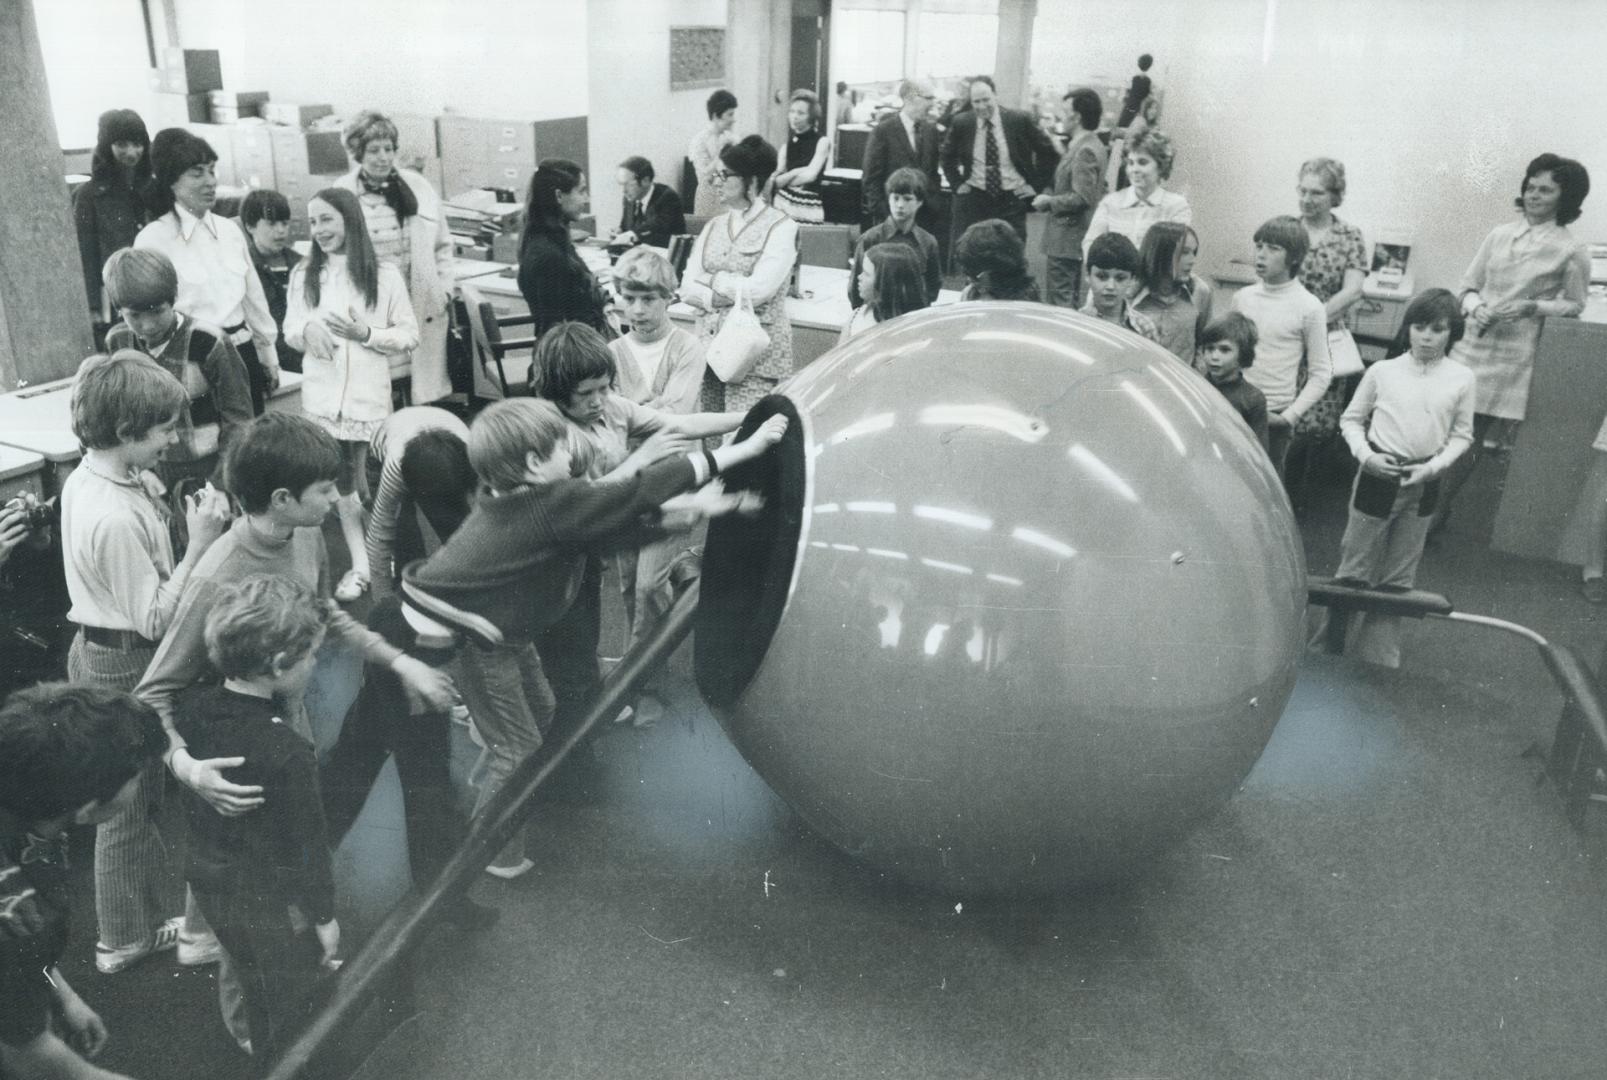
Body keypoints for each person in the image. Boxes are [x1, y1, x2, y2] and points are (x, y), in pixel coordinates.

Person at [60, 351, 233, 977]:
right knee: (126, 810)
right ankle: (124, 939)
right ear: (129, 432)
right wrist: (204, 543)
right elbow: (155, 618)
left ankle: (130, 930)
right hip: (126, 664)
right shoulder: (114, 518)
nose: (175, 439)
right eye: (163, 430)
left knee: (136, 803)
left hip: (104, 653)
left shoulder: (99, 477)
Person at [399, 398, 789, 653]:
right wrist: (741, 451)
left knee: (530, 719)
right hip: (442, 629)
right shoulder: (549, 504)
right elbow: (638, 491)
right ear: (535, 463)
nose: (571, 456)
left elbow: (608, 535)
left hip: (447, 624)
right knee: (515, 743)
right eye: (563, 447)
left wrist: (696, 510)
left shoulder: (510, 502)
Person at [531, 323, 751, 729]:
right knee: (567, 647)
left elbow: (682, 425)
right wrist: (641, 458)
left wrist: (750, 414)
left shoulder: (612, 408)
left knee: (600, 623)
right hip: (556, 560)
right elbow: (582, 504)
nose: (599, 401)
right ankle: (570, 734)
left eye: (604, 388)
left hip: (601, 539)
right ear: (558, 391)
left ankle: (599, 702)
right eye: (586, 394)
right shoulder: (549, 430)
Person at [177, 577, 338, 1067]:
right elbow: (307, 846)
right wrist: (325, 917)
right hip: (263, 894)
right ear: (278, 665)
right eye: (310, 655)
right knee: (284, 998)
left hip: (209, 877)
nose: (314, 663)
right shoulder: (289, 751)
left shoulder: (193, 706)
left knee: (249, 971)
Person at [0, 683, 165, 1080]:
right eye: (136, 776)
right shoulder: (21, 916)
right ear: (89, 810)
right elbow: (23, 1048)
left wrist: (62, 996)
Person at [1434, 153, 1591, 534]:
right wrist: (1476, 307)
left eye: (1546, 190)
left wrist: (1533, 306)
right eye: (1531, 187)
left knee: (1469, 434)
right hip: (1473, 340)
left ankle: (1435, 513)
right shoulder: (1499, 234)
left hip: (1513, 354)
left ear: (1565, 198)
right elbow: (1467, 286)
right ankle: (1423, 502)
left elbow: (1575, 305)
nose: (1534, 195)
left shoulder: (1571, 250)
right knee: (1442, 421)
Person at [1320, 289, 1474, 668]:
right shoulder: (1382, 371)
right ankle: (1326, 651)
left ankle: (1378, 659)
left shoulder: (1462, 378)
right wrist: (1367, 457)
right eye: (1419, 327)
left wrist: (1433, 467)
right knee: (1353, 569)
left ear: (1452, 332)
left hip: (1424, 481)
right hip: (1377, 477)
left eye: (1437, 329)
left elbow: (1462, 435)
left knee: (1399, 577)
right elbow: (1351, 420)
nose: (1426, 336)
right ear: (1407, 328)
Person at [285, 187, 420, 602]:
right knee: (339, 486)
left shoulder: (384, 275)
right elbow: (289, 330)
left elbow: (409, 335)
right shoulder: (304, 275)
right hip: (323, 401)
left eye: (327, 219)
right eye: (313, 222)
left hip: (367, 400)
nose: (319, 229)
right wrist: (305, 332)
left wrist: (367, 334)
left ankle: (393, 564)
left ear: (349, 219)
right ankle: (361, 567)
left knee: (375, 488)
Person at [135, 128, 280, 416]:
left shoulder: (230, 231)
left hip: (242, 354)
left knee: (252, 449)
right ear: (171, 181)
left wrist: (268, 355)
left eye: (212, 171)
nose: (210, 182)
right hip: (191, 361)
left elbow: (253, 299)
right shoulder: (153, 239)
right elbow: (147, 317)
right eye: (197, 173)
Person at [102, 249, 256, 499]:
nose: (148, 325)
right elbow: (113, 415)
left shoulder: (208, 341)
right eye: (135, 316)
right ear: (119, 310)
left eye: (157, 311)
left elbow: (239, 419)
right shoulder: (118, 343)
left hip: (209, 468)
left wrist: (220, 485)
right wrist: (136, 472)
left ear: (174, 298)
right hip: (148, 473)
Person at [333, 111, 454, 404]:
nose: (383, 157)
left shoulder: (417, 186)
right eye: (374, 150)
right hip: (370, 308)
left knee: (420, 389)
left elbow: (443, 245)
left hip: (418, 306)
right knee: (376, 393)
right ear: (357, 152)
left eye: (389, 149)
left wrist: (445, 291)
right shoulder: (340, 193)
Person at [682, 135, 799, 413]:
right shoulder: (714, 226)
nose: (716, 181)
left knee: (744, 442)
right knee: (711, 441)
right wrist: (729, 292)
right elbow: (686, 289)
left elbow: (760, 291)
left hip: (756, 361)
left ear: (752, 180)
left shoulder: (782, 227)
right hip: (711, 352)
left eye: (725, 174)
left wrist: (711, 280)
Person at [1284, 157, 1369, 496]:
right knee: (1280, 409)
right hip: (1286, 335)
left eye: (1316, 193)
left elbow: (1353, 290)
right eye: (1302, 191)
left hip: (1325, 338)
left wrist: (1313, 320)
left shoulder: (1350, 236)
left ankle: (1302, 494)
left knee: (1317, 421)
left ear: (1335, 195)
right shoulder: (1287, 229)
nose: (1307, 199)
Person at [1231, 215, 1331, 477]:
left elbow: (1321, 373)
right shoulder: (1242, 298)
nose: (1261, 255)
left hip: (1272, 415)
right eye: (1259, 246)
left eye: (1273, 249)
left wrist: (1290, 416)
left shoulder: (1309, 307)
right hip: (1232, 406)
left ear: (1294, 258)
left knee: (1264, 488)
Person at [364, 407, 473, 597]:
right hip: (383, 448)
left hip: (442, 438)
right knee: (404, 536)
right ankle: (406, 598)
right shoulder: (395, 469)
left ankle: (465, 589)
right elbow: (378, 540)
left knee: (461, 527)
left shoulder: (473, 454)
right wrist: (382, 605)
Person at [940, 75, 1059, 241]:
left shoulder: (1019, 120)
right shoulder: (962, 123)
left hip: (1012, 200)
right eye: (976, 102)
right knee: (971, 251)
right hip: (975, 198)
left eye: (986, 100)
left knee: (1011, 254)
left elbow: (1049, 154)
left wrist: (1035, 186)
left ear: (995, 96)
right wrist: (957, 183)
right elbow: (946, 156)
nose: (982, 106)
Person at [517, 159, 612, 340]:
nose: (587, 198)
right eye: (582, 191)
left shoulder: (551, 239)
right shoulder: (549, 255)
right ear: (559, 196)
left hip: (579, 348)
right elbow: (555, 332)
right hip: (569, 360)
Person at [74, 108, 153, 325]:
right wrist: (92, 307)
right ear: (107, 147)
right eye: (122, 144)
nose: (131, 152)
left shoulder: (154, 187)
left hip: (156, 287)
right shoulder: (88, 195)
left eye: (137, 144)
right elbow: (86, 254)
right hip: (117, 296)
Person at [1034, 88, 1107, 308]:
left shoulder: (1084, 150)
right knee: (1068, 301)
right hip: (1073, 240)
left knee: (1059, 304)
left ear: (1077, 117)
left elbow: (1082, 197)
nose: (1060, 117)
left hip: (1066, 240)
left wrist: (1049, 202)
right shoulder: (1091, 145)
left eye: (1065, 111)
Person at [1083, 129, 1190, 259]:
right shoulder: (1110, 202)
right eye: (1130, 163)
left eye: (1142, 162)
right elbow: (1090, 245)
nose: (1134, 169)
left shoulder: (1176, 206)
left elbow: (1173, 257)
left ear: (1161, 166)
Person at [848, 167, 942, 309]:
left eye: (907, 199)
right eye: (895, 198)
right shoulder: (871, 239)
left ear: (920, 202)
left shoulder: (928, 243)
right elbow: (855, 289)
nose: (899, 205)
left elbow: (933, 288)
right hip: (876, 318)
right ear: (889, 199)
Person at [860, 78, 941, 228]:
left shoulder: (931, 131)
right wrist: (887, 216)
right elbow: (871, 179)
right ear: (909, 98)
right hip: (891, 221)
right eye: (928, 98)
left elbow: (933, 174)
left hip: (924, 222)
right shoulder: (882, 132)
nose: (932, 104)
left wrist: (933, 205)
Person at [239, 189, 304, 374]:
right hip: (271, 363)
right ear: (250, 226)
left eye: (285, 223)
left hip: (305, 354)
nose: (281, 230)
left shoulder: (302, 264)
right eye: (272, 223)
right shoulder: (243, 268)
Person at [1132, 221, 1212, 362]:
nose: (1192, 260)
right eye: (1184, 253)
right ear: (1161, 253)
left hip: (1180, 380)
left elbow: (1204, 344)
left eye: (1194, 252)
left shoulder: (1200, 292)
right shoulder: (1130, 293)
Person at [1198, 313, 1269, 452]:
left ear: (1243, 354)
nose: (1214, 356)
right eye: (1210, 348)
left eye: (1225, 350)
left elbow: (1259, 452)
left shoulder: (1253, 398)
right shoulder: (1195, 385)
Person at [841, 244, 930, 343]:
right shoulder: (856, 317)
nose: (859, 277)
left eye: (866, 274)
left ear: (886, 283)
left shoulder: (918, 329)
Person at [1081, 233, 1160, 341]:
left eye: (1120, 278)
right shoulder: (1078, 323)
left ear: (1132, 279)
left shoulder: (1145, 327)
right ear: (1087, 275)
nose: (1110, 286)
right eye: (1102, 277)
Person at [772, 89, 831, 224]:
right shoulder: (785, 147)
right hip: (782, 204)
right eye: (792, 112)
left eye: (801, 113)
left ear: (811, 116)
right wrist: (795, 172)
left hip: (808, 206)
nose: (794, 117)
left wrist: (786, 179)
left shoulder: (822, 142)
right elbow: (776, 181)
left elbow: (810, 176)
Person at [954, 218, 1040, 302]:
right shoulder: (971, 293)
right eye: (967, 273)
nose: (969, 280)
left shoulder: (1026, 299)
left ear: (1001, 271)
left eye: (974, 276)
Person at [614, 156, 686, 249]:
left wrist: (631, 235)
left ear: (645, 180)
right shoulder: (629, 198)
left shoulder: (668, 197)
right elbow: (625, 227)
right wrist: (619, 231)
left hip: (665, 256)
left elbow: (655, 227)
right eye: (621, 184)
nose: (624, 190)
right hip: (638, 255)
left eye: (628, 184)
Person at [689, 89, 738, 218]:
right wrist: (722, 151)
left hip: (730, 198)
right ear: (716, 116)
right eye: (730, 114)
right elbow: (705, 176)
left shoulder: (732, 138)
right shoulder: (699, 141)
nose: (734, 120)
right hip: (709, 200)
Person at [1117, 53, 1155, 129]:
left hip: (1129, 108)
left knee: (1122, 129)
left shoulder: (1132, 78)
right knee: (1138, 131)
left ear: (1138, 63)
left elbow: (1123, 96)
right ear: (1150, 65)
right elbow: (1151, 98)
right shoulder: (1150, 81)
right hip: (1141, 110)